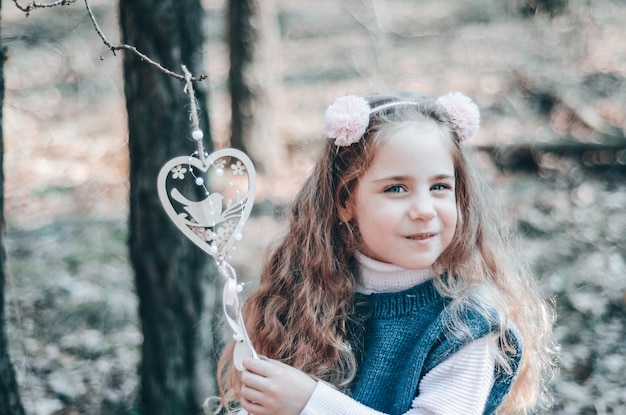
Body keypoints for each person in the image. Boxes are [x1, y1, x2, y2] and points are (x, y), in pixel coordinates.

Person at [214, 91, 557, 415]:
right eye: (396, 188)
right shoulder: (307, 296)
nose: (424, 209)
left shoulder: (467, 325)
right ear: (345, 202)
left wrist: (309, 403)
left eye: (439, 187)